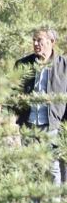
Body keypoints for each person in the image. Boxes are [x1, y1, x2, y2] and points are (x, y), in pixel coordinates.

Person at [15, 28, 67, 188]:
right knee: (31, 169)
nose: (36, 44)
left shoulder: (64, 66)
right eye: (34, 40)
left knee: (52, 169)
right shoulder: (23, 64)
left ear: (52, 42)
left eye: (40, 40)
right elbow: (14, 93)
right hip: (29, 125)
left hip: (52, 126)